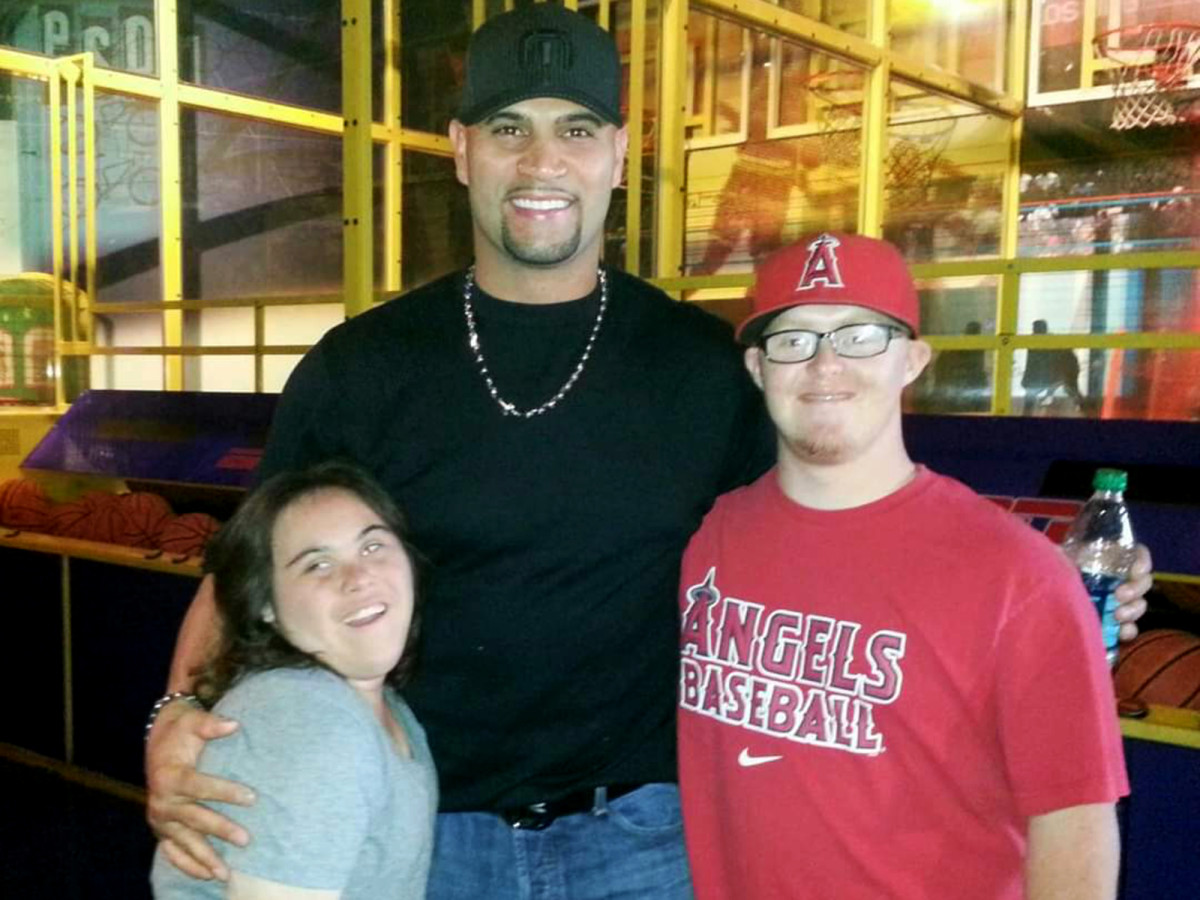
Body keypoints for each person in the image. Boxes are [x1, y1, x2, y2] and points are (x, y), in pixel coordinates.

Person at [144, 7, 1152, 898]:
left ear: (619, 153)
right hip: (432, 830)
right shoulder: (361, 367)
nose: (544, 163)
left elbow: (838, 508)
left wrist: (1029, 580)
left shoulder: (700, 366)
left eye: (576, 131)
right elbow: (246, 575)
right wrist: (175, 715)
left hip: (644, 838)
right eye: (510, 130)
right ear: (460, 149)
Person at [677, 232, 1129, 899]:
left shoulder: (1018, 577)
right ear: (756, 368)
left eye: (860, 336)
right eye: (794, 339)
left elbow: (1075, 827)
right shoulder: (713, 538)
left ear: (912, 360)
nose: (825, 365)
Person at [151, 461, 436, 899]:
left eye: (373, 546)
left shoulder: (386, 709)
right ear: (267, 605)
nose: (359, 577)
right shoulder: (309, 721)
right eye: (317, 564)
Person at [1022, 319, 1084, 416]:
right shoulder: (1036, 341)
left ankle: (1082, 406)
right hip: (1047, 376)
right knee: (1030, 398)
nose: (1034, 332)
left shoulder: (1046, 341)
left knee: (1031, 398)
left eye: (1036, 329)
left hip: (1051, 375)